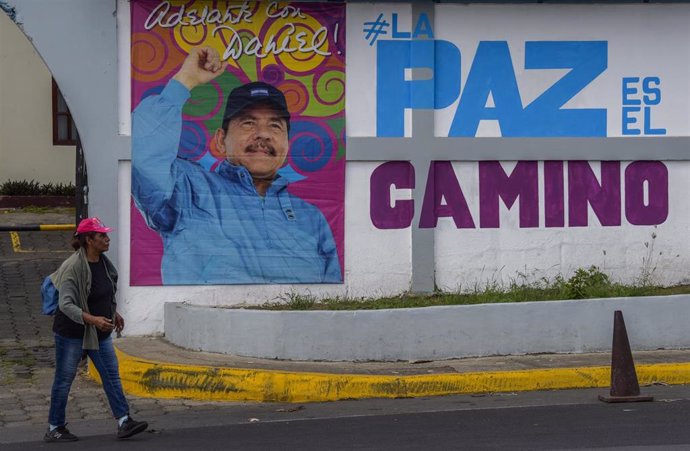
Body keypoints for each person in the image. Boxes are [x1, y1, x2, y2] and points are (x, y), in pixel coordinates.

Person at [132, 46, 342, 285]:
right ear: (221, 140)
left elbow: (330, 294)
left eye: (275, 126)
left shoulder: (312, 219)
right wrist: (185, 80)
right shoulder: (187, 190)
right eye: (248, 123)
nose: (263, 134)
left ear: (287, 146)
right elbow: (141, 157)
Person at [44, 217, 148, 442]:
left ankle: (124, 421)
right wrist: (94, 320)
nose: (107, 239)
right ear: (89, 240)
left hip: (98, 332)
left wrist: (113, 314)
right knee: (64, 380)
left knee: (111, 376)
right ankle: (55, 427)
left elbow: (103, 292)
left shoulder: (102, 262)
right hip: (71, 333)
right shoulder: (73, 267)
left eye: (106, 235)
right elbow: (67, 305)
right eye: (102, 236)